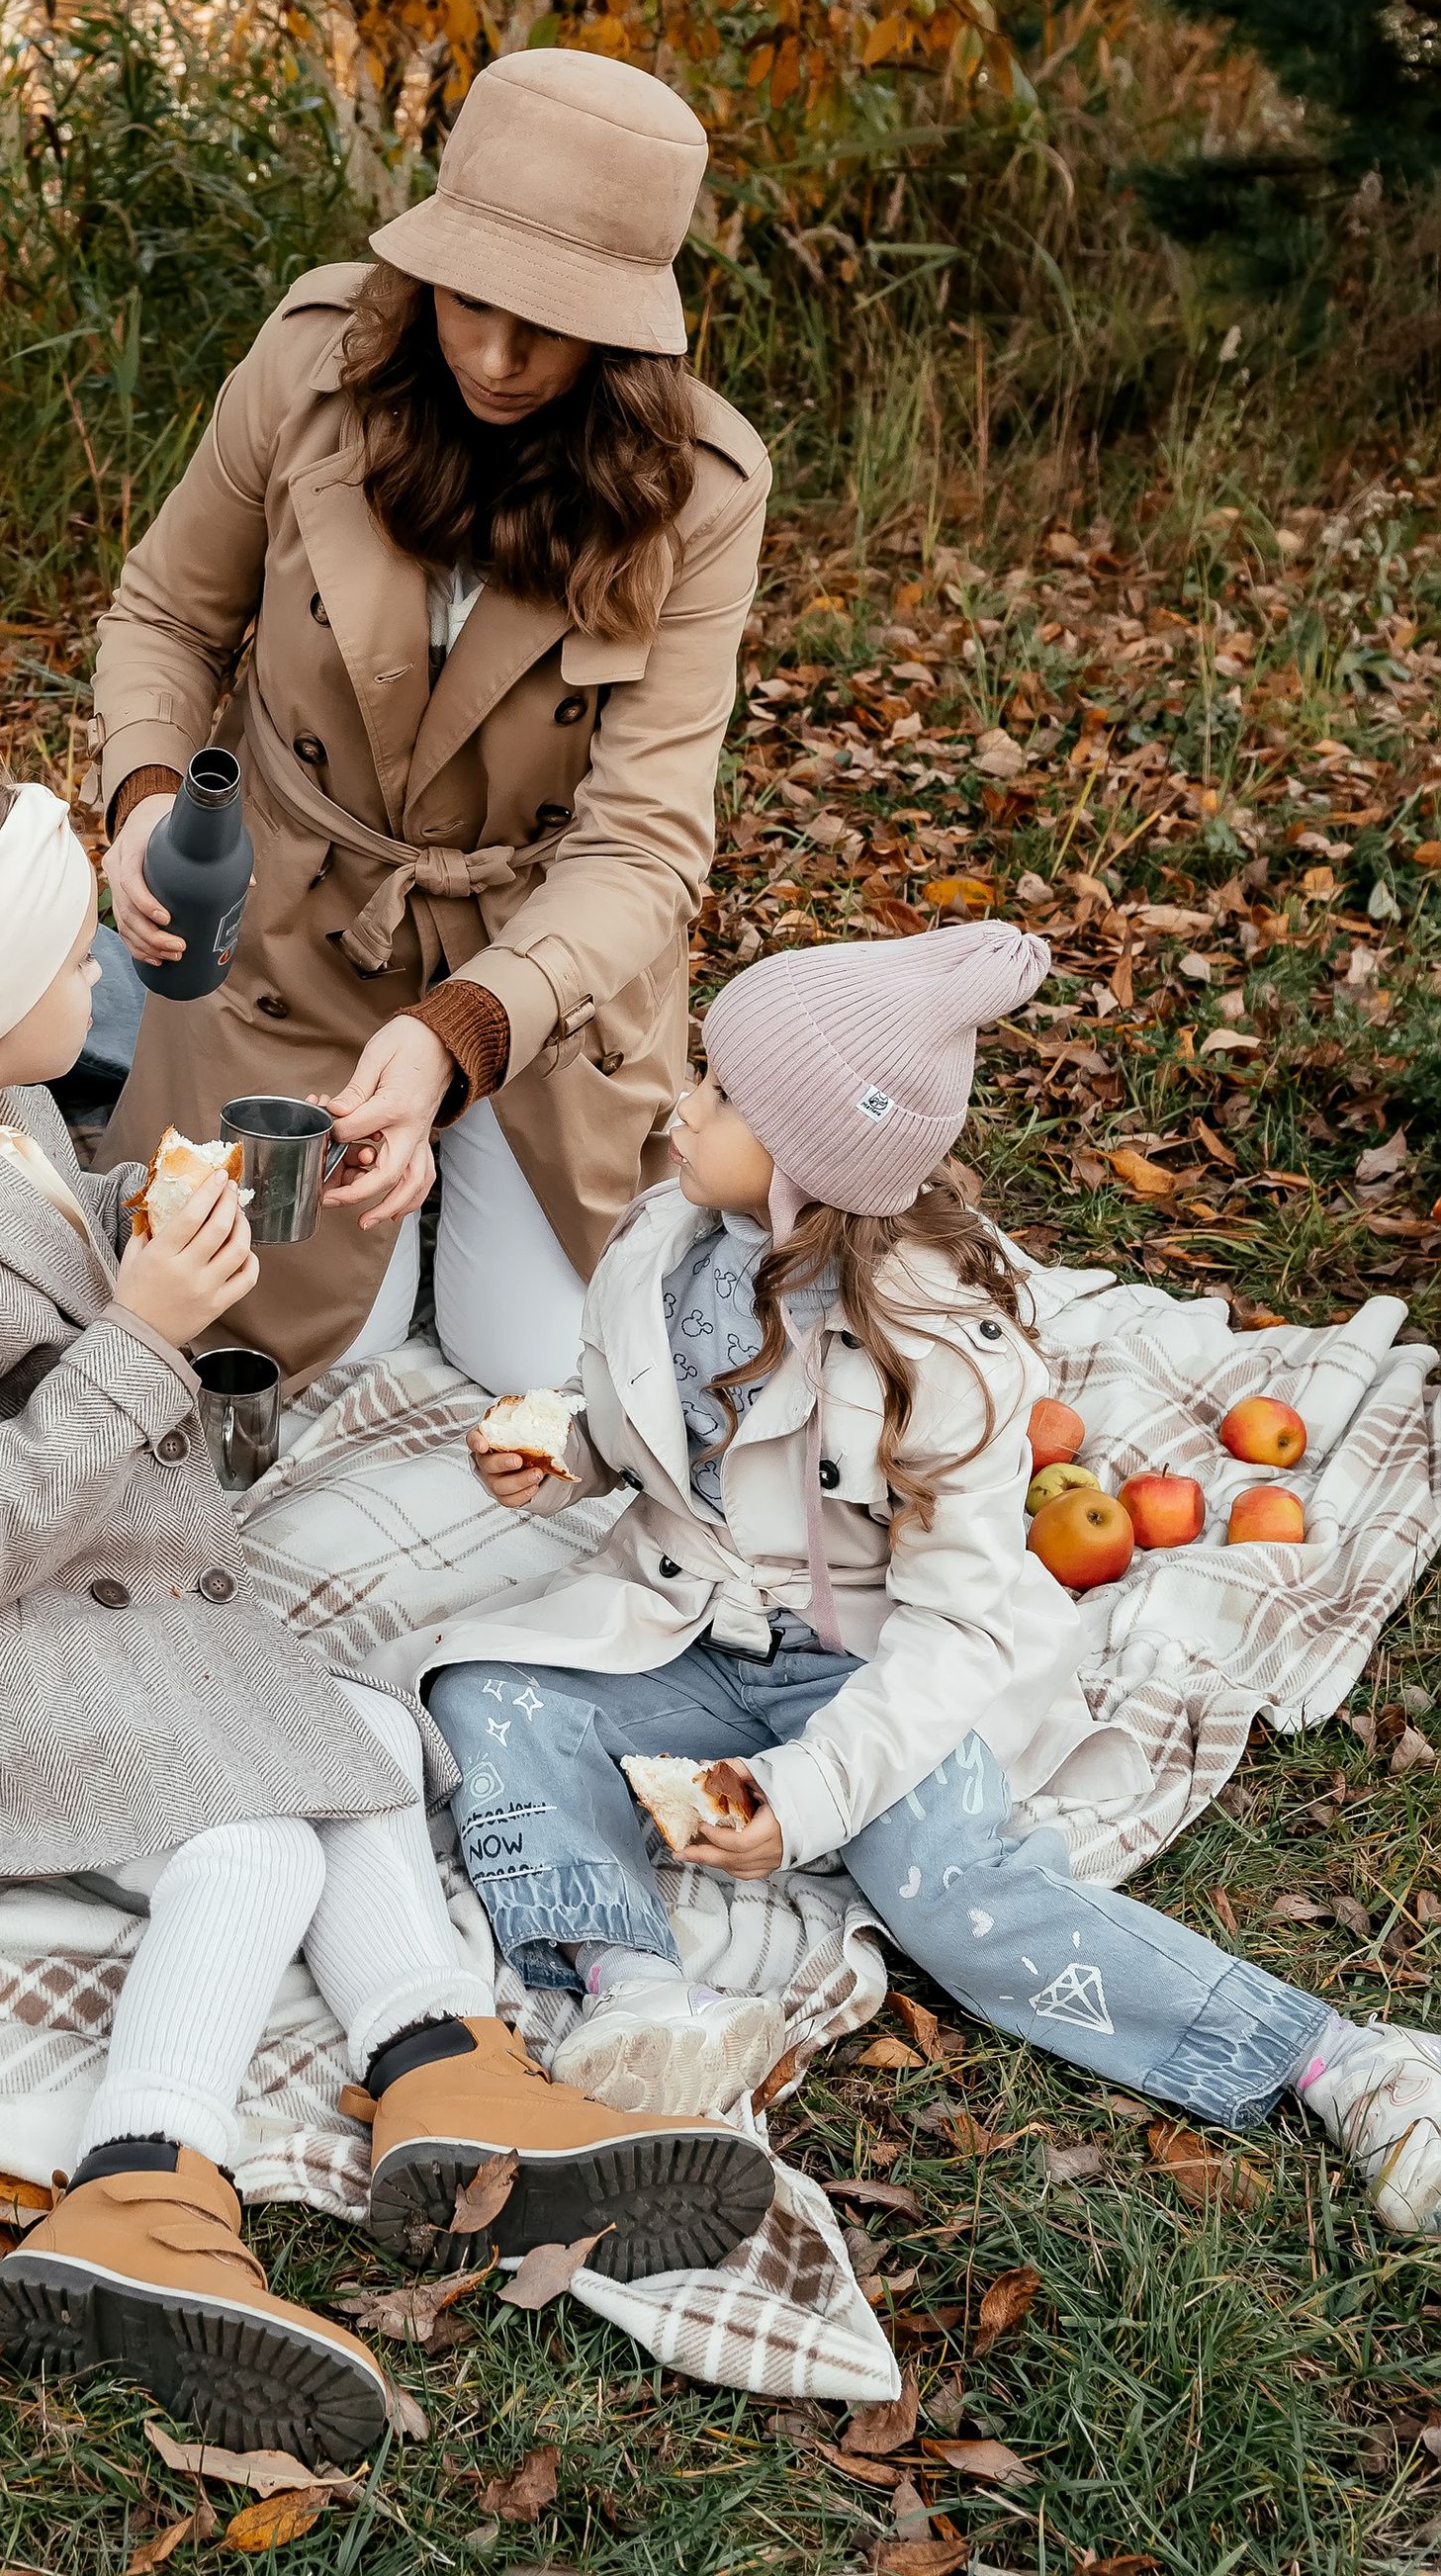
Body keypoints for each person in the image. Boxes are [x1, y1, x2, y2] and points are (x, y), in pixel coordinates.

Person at [0, 734, 774, 2462]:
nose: (99, 978)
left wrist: (185, 1205)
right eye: (71, 955)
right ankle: (138, 2188)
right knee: (256, 1842)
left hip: (58, 1587)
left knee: (362, 1731)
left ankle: (445, 2075)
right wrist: (143, 1329)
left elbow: (48, 1252)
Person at [414, 921, 1441, 2238]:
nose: (683, 1102)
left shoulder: (940, 1349)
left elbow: (956, 1626)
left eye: (723, 1091)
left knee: (953, 1894)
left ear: (808, 1159)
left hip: (873, 1668)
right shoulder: (667, 1241)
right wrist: (564, 1449)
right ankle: (640, 1994)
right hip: (690, 1629)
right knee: (486, 1694)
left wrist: (807, 1793)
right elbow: (652, 1433)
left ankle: (1336, 2060)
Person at [92, 47, 770, 1394]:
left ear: (626, 330)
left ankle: (471, 1156)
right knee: (270, 1339)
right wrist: (146, 796)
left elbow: (642, 846)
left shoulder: (699, 489)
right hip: (291, 933)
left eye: (547, 326)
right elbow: (166, 612)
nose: (496, 359)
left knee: (537, 1357)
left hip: (537, 975)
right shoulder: (310, 365)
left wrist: (459, 1033)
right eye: (468, 302)